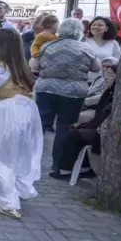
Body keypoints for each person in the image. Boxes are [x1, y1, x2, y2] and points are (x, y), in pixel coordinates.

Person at [0, 29, 42, 219]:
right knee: (20, 153)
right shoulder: (22, 67)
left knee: (1, 156)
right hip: (26, 113)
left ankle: (8, 201)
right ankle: (19, 189)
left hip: (6, 113)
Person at [31, 18, 100, 172]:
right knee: (64, 127)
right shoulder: (86, 48)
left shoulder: (48, 45)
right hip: (73, 93)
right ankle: (57, 165)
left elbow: (35, 66)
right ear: (79, 31)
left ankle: (30, 158)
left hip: (46, 89)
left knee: (40, 124)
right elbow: (96, 68)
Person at [52, 60, 117, 180]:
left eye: (111, 75)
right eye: (106, 74)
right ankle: (82, 166)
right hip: (97, 125)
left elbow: (103, 120)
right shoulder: (108, 92)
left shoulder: (117, 96)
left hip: (104, 131)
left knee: (75, 134)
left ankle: (65, 170)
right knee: (73, 128)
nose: (107, 78)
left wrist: (86, 126)